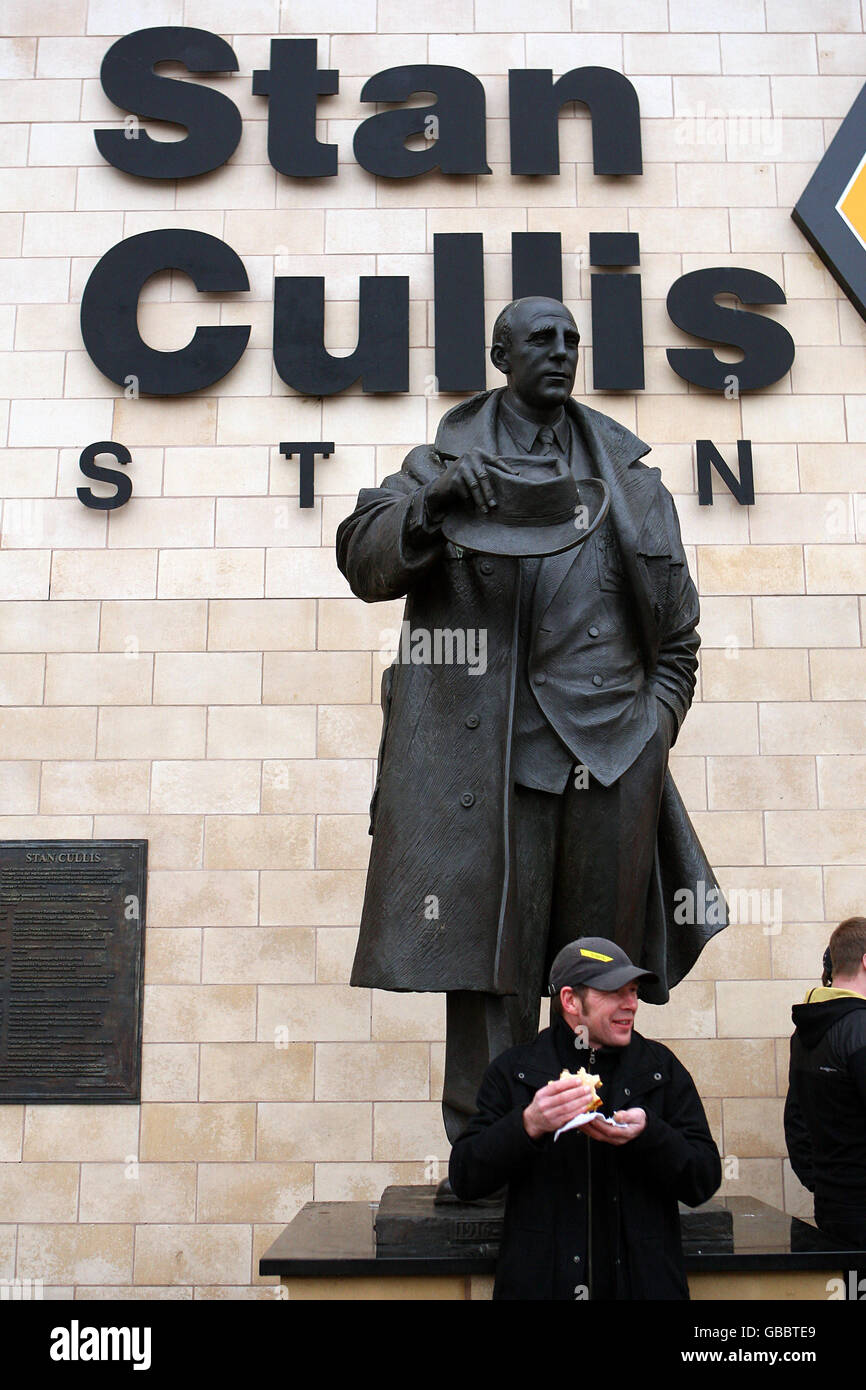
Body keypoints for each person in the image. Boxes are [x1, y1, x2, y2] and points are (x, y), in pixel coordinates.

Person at [336, 296, 726, 1143]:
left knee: (599, 964)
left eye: (571, 341)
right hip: (494, 759)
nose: (560, 352)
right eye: (540, 340)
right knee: (492, 960)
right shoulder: (444, 460)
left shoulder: (632, 480)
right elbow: (364, 558)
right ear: (501, 353)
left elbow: (679, 638)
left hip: (616, 755)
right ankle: (491, 1143)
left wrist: (653, 734)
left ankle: (595, 1134)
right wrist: (433, 504)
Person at [448, 937, 722, 1300]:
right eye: (614, 993)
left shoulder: (659, 1070)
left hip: (644, 1285)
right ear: (570, 1001)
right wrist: (528, 1124)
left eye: (634, 991)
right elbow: (466, 1177)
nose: (631, 1005)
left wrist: (650, 1135)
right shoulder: (516, 1072)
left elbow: (703, 1180)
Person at [785, 916, 866, 1248]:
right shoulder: (859, 1029)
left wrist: (822, 1183)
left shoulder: (805, 1030)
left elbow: (796, 1121)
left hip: (833, 1205)